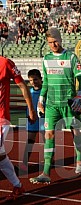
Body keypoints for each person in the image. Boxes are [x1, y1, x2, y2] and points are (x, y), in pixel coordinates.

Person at [29, 27, 81, 184]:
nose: (53, 45)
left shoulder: (71, 57)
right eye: (49, 42)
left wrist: (79, 96)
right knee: (49, 134)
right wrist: (41, 99)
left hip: (69, 103)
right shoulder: (46, 59)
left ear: (60, 39)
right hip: (52, 105)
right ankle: (46, 172)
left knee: (75, 132)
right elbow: (45, 82)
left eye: (55, 41)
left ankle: (80, 159)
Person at [0, 56, 37, 201]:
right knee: (1, 156)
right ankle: (17, 185)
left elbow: (22, 85)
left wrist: (31, 109)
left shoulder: (5, 63)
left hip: (1, 119)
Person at [20, 69, 45, 172]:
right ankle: (24, 163)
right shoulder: (29, 92)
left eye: (35, 79)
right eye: (30, 80)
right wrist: (28, 116)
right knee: (30, 140)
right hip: (33, 119)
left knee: (47, 140)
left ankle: (48, 161)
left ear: (40, 79)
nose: (33, 82)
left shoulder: (45, 91)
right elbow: (28, 106)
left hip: (44, 118)